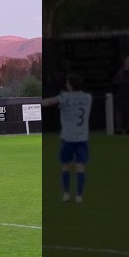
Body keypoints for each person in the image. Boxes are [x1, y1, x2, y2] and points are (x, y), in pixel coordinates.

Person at [50, 74, 92, 204]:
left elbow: (50, 101)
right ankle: (79, 196)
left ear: (70, 85)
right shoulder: (87, 97)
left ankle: (67, 194)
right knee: (80, 167)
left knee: (66, 166)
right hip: (82, 137)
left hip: (68, 138)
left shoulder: (65, 97)